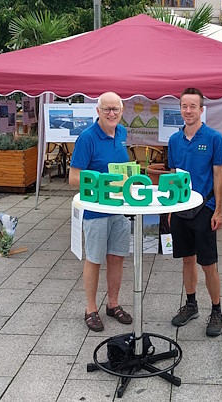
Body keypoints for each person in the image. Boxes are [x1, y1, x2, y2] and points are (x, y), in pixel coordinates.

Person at [69, 92, 133, 332]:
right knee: (94, 259)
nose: (111, 113)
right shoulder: (87, 138)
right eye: (106, 109)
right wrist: (104, 182)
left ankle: (113, 304)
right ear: (98, 111)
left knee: (117, 257)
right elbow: (74, 178)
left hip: (119, 208)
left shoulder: (122, 133)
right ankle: (91, 308)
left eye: (115, 109)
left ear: (122, 109)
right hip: (96, 210)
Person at [166, 88, 222, 337]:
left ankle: (217, 310)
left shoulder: (214, 137)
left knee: (208, 264)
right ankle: (191, 305)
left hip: (204, 208)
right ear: (180, 109)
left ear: (202, 109)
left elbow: (219, 175)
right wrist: (170, 208)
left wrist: (219, 211)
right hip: (181, 208)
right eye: (184, 106)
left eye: (193, 106)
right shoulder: (174, 140)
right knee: (187, 259)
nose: (188, 110)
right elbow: (172, 175)